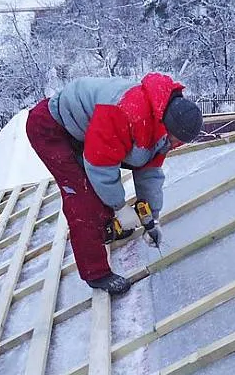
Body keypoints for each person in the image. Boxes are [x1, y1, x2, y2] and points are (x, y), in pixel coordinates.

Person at [26, 72, 203, 295]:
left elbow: (149, 172)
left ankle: (106, 230)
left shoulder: (162, 122)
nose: (176, 144)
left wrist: (152, 219)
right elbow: (100, 166)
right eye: (177, 140)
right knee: (83, 198)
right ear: (167, 125)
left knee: (101, 191)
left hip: (85, 131)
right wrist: (120, 207)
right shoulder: (125, 112)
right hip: (51, 127)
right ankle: (96, 273)